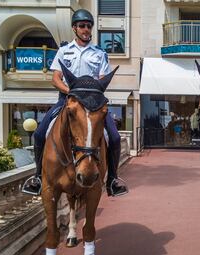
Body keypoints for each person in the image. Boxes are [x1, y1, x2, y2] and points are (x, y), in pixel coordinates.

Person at [22, 9, 128, 197]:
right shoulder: (64, 51)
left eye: (88, 26)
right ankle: (38, 177)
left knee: (114, 137)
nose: (86, 29)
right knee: (39, 134)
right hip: (67, 101)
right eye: (82, 26)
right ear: (74, 28)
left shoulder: (100, 53)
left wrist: (90, 93)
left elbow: (103, 78)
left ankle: (112, 179)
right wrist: (70, 92)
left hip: (93, 104)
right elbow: (55, 78)